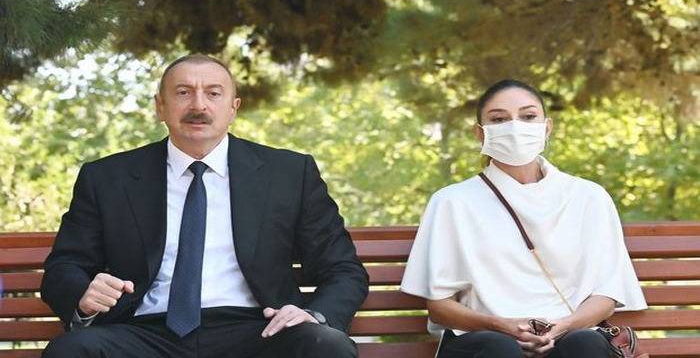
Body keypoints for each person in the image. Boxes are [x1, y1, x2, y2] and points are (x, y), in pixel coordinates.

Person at [41, 54, 369, 358]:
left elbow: (343, 269)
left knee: (325, 345)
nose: (199, 105)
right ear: (160, 107)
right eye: (183, 93)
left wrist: (314, 315)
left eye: (213, 94)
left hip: (260, 329)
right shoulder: (107, 178)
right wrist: (84, 297)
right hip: (144, 333)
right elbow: (65, 266)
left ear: (233, 108)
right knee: (71, 350)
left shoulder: (289, 174)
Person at [400, 79, 647, 358]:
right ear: (480, 133)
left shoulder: (589, 197)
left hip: (570, 337)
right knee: (499, 347)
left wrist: (564, 326)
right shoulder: (451, 202)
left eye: (528, 116)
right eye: (499, 119)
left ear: (547, 127)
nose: (515, 127)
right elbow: (440, 307)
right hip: (484, 342)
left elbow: (606, 295)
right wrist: (500, 325)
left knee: (584, 344)